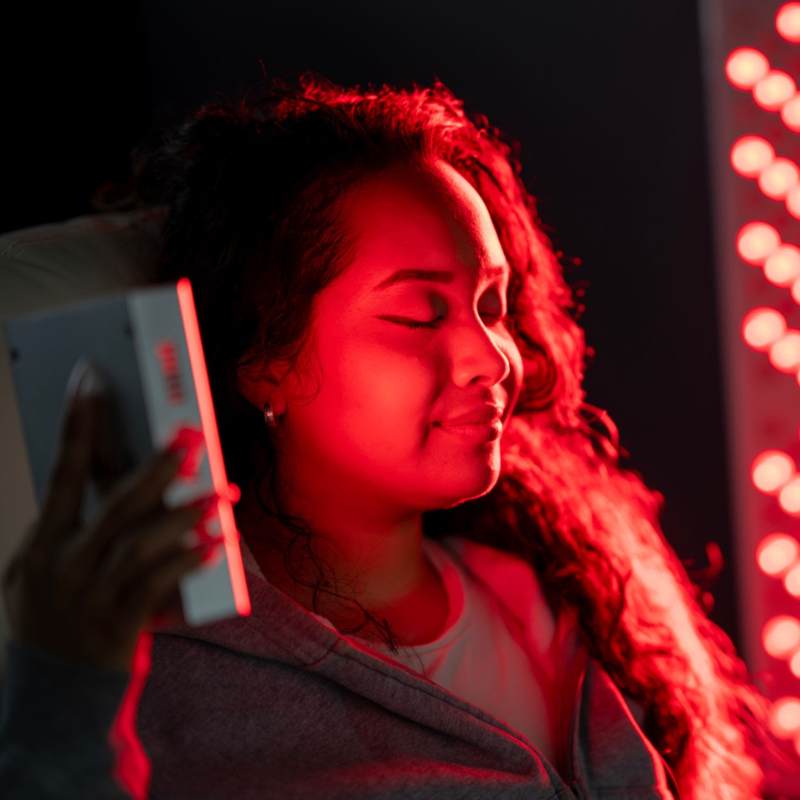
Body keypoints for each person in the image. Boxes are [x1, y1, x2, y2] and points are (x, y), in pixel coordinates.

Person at [0, 72, 772, 799]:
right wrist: (67, 696)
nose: (490, 357)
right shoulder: (164, 675)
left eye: (493, 305)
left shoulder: (558, 597)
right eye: (416, 315)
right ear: (263, 362)